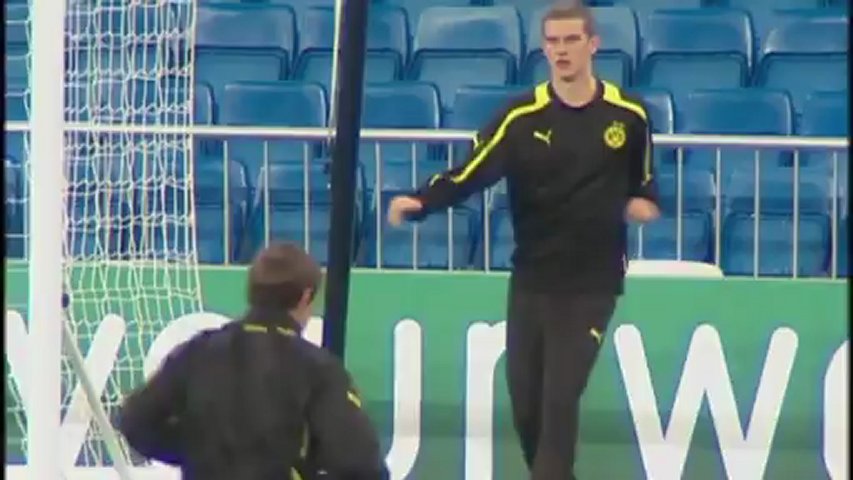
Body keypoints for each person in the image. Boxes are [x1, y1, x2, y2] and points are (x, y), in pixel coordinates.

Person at [388, 2, 660, 478]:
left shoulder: (629, 114)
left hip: (592, 282)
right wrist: (422, 200)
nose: (561, 50)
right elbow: (471, 171)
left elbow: (645, 181)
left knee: (559, 399)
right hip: (532, 279)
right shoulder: (520, 117)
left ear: (593, 45)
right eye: (552, 42)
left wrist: (642, 203)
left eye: (571, 40)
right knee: (527, 407)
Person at [118, 242, 389, 480]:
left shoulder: (197, 352)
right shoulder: (318, 369)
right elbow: (361, 464)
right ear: (306, 297)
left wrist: (197, 453)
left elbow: (135, 420)